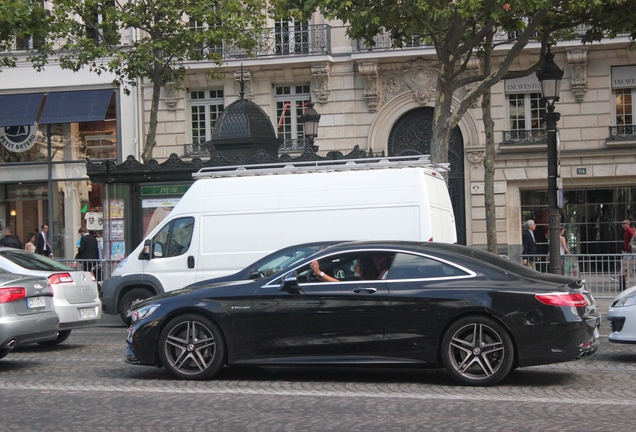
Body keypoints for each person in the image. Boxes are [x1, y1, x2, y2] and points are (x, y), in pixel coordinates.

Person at [620, 219, 635, 290]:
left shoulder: (629, 230)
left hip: (629, 252)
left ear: (627, 224)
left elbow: (633, 238)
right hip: (627, 251)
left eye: (624, 223)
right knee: (625, 266)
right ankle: (621, 276)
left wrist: (631, 245)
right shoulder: (626, 231)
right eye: (622, 223)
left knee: (626, 265)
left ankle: (621, 276)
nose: (622, 224)